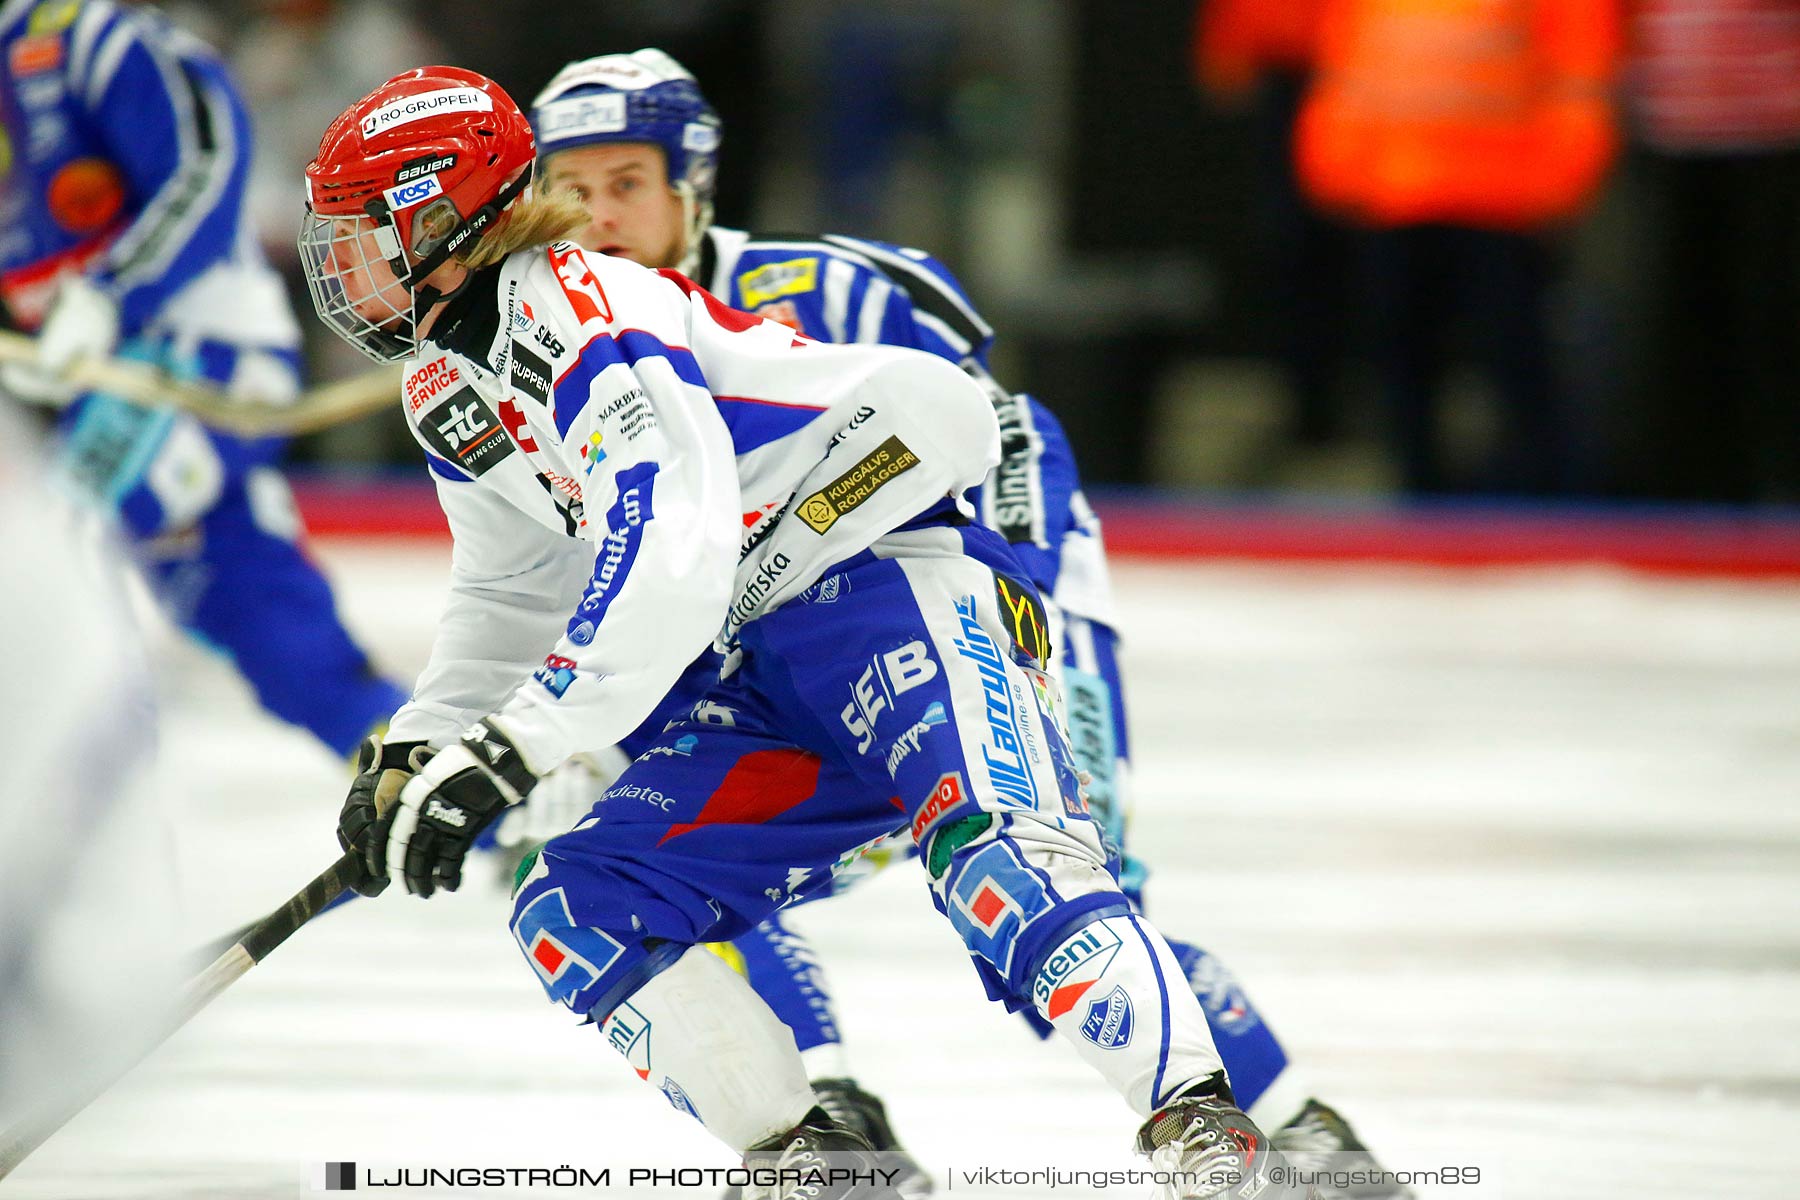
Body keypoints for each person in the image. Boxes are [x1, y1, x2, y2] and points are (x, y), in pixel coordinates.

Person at [305, 65, 1311, 1200]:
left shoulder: (588, 307)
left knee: (999, 859)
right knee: (579, 905)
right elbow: (510, 590)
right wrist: (419, 740)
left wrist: (514, 746)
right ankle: (815, 1165)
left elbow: (670, 544)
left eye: (366, 237)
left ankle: (1213, 1139)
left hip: (885, 584)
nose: (346, 272)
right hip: (755, 661)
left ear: (454, 213)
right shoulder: (446, 380)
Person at [0, 0, 405, 758]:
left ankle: (65, 848)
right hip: (88, 389)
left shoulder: (83, 36)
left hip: (196, 360)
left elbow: (206, 162)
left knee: (59, 559)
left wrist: (107, 296)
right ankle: (475, 805)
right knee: (261, 621)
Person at [1293, 0, 1621, 496]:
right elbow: (1348, 66)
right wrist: (1335, 167)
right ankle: (1420, 494)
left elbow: (1578, 76)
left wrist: (1560, 180)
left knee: (1515, 358)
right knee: (1403, 361)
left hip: (1499, 197)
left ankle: (1544, 496)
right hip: (1397, 193)